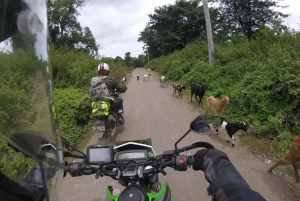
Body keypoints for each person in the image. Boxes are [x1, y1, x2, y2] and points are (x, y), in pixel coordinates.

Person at [0, 1, 266, 201]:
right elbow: (120, 90)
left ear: (98, 70)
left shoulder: (92, 80)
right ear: (108, 71)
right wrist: (120, 90)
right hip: (110, 105)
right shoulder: (110, 80)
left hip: (95, 108)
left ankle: (106, 128)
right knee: (120, 104)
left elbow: (92, 92)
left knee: (108, 112)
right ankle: (120, 118)